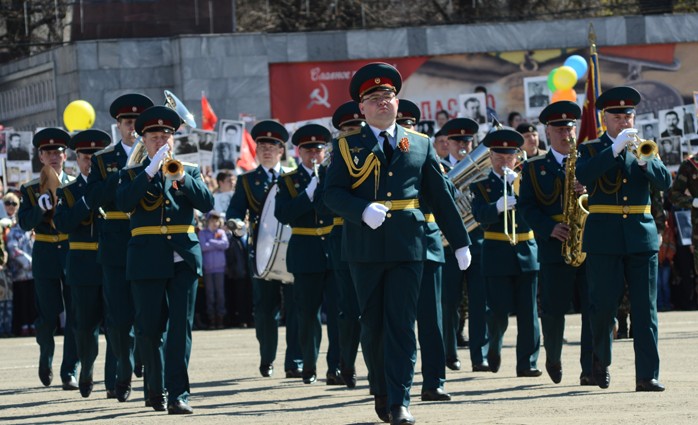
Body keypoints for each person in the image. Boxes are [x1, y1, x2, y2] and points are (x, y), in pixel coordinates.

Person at [324, 62, 472, 425]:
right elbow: (331, 194)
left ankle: (401, 400)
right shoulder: (346, 146)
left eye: (387, 96)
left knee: (403, 325)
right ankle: (382, 390)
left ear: (397, 100)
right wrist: (360, 210)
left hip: (409, 245)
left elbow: (440, 196)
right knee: (373, 325)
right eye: (373, 98)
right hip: (365, 247)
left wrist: (460, 241)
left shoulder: (419, 144)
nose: (382, 103)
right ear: (361, 108)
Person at [116, 105, 214, 413]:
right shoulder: (131, 174)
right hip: (146, 258)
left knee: (180, 329)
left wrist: (183, 178)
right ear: (143, 140)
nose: (160, 142)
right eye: (154, 136)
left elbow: (206, 203)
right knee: (148, 329)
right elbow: (123, 204)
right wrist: (148, 172)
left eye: (165, 136)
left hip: (183, 257)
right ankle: (154, 389)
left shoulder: (188, 171)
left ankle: (178, 394)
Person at [575, 86, 671, 392]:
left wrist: (646, 161)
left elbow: (664, 182)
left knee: (646, 310)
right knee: (602, 307)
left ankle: (647, 375)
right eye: (617, 116)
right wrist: (613, 149)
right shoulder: (592, 148)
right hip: (604, 237)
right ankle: (599, 365)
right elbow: (584, 175)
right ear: (605, 118)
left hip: (640, 237)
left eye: (628, 115)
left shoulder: (645, 147)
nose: (624, 121)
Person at [518, 101, 595, 385]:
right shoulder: (534, 167)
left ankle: (592, 367)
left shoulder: (588, 160)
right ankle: (553, 356)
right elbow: (525, 207)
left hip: (588, 244)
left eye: (570, 128)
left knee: (593, 309)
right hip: (554, 246)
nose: (567, 135)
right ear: (547, 132)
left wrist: (589, 189)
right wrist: (549, 228)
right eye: (560, 129)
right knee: (552, 312)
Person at [87, 92, 154, 402]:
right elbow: (95, 199)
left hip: (145, 239)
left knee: (148, 313)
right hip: (115, 241)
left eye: (136, 123)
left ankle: (144, 362)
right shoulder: (103, 160)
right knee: (117, 317)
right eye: (127, 122)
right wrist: (122, 176)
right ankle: (120, 377)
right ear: (118, 124)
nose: (132, 127)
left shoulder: (155, 156)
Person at [225, 120, 303, 379]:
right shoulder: (247, 180)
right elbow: (236, 209)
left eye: (273, 145)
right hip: (262, 251)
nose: (267, 149)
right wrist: (235, 222)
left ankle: (295, 361)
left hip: (293, 249)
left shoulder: (294, 177)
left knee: (295, 307)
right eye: (262, 145)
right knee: (265, 309)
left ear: (282, 150)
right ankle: (267, 357)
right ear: (256, 150)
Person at [469, 128, 542, 378]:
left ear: (516, 157)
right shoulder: (480, 185)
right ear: (490, 156)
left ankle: (527, 363)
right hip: (496, 250)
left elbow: (536, 212)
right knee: (498, 311)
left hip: (525, 249)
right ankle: (495, 345)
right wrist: (497, 207)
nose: (503, 162)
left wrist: (518, 188)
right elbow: (479, 217)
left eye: (508, 157)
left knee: (528, 312)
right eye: (498, 157)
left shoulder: (528, 180)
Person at [275, 123, 340, 385]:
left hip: (333, 250)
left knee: (337, 314)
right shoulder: (288, 180)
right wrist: (308, 193)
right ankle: (309, 365)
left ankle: (336, 366)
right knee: (307, 314)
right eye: (308, 150)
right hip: (304, 250)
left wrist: (321, 188)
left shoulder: (334, 177)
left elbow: (334, 209)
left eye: (319, 149)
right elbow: (284, 214)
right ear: (299, 151)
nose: (314, 154)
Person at [18, 128, 79, 390]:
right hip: (44, 253)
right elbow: (22, 223)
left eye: (58, 152)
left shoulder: (76, 185)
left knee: (76, 313)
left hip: (71, 250)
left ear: (66, 156)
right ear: (40, 157)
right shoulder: (31, 189)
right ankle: (46, 355)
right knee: (47, 315)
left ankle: (70, 371)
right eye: (48, 152)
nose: (54, 156)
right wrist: (39, 210)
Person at [53, 129, 111, 397]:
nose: (90, 161)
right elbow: (62, 223)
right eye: (86, 156)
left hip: (112, 262)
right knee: (85, 326)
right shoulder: (70, 190)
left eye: (96, 156)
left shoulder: (113, 184)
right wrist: (87, 200)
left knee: (118, 325)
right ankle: (85, 367)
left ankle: (114, 380)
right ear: (77, 158)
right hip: (83, 263)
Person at [438, 118, 491, 374]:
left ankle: (479, 355)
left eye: (468, 141)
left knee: (480, 301)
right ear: (446, 142)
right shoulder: (437, 168)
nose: (463, 145)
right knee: (449, 302)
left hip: (477, 241)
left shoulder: (483, 172)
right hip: (447, 245)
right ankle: (449, 353)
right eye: (458, 141)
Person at [322, 100, 365, 388]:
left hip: (376, 236)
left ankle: (380, 365)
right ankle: (344, 364)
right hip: (343, 240)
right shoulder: (333, 162)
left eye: (357, 128)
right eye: (347, 129)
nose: (353, 133)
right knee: (347, 308)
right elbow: (322, 207)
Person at [5, 192, 36, 337]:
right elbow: (13, 250)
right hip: (20, 274)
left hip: (32, 273)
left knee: (32, 300)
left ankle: (33, 323)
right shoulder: (13, 231)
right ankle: (23, 325)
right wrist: (29, 261)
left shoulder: (30, 230)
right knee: (22, 302)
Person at [199, 210, 230, 329]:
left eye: (216, 220)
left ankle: (220, 318)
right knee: (210, 295)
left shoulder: (221, 232)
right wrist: (216, 243)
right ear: (208, 221)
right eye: (212, 220)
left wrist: (210, 242)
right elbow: (203, 246)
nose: (214, 223)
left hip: (219, 268)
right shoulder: (202, 233)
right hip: (208, 269)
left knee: (220, 295)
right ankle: (212, 319)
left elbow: (225, 245)